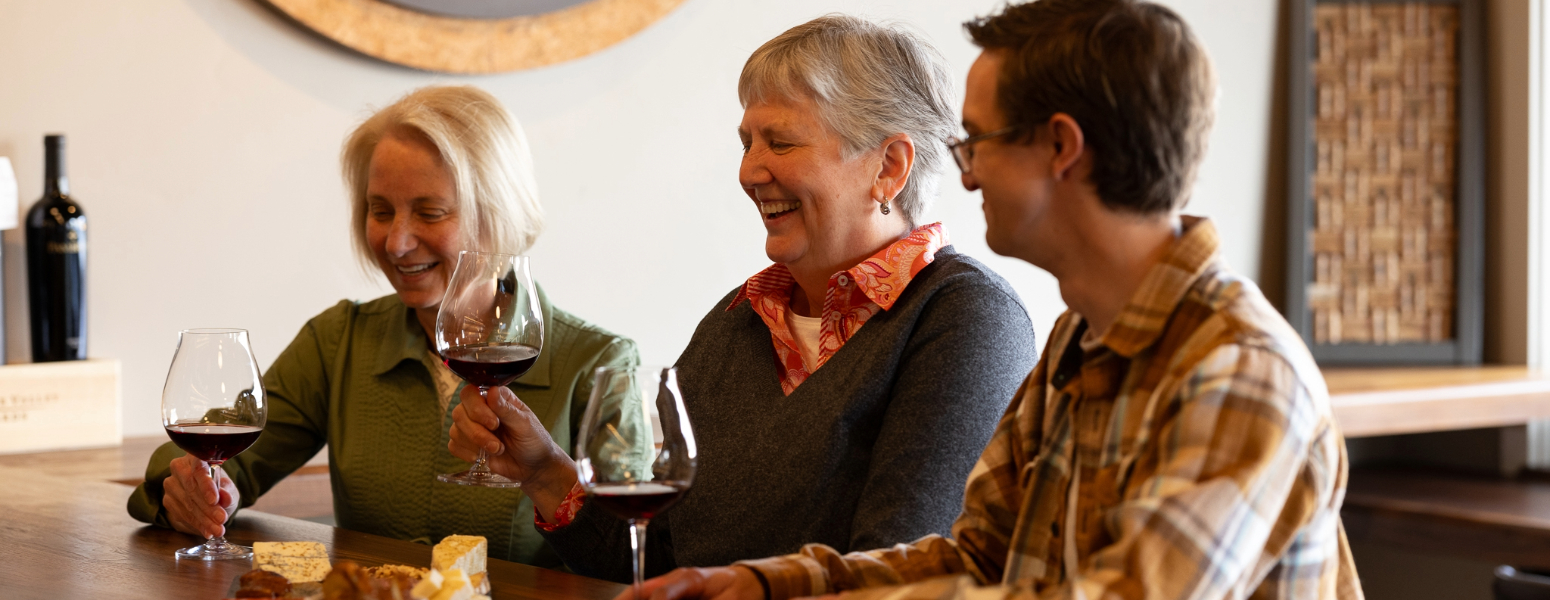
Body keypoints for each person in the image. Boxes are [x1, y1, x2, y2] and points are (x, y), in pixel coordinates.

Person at [628, 1, 1365, 599]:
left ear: (1061, 149)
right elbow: (976, 557)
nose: (967, 174)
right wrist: (763, 585)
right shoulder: (1081, 337)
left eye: (978, 141)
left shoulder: (1239, 371)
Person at [447, 15, 1039, 582]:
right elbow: (656, 561)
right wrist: (544, 471)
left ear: (889, 168)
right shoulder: (737, 322)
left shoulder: (966, 319)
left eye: (779, 143)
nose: (749, 171)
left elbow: (893, 570)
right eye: (747, 142)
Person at [127, 85, 641, 567]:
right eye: (380, 210)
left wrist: (550, 479)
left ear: (496, 215)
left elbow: (638, 554)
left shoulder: (599, 362)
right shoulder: (338, 341)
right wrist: (194, 492)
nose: (396, 242)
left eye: (429, 212)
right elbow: (210, 452)